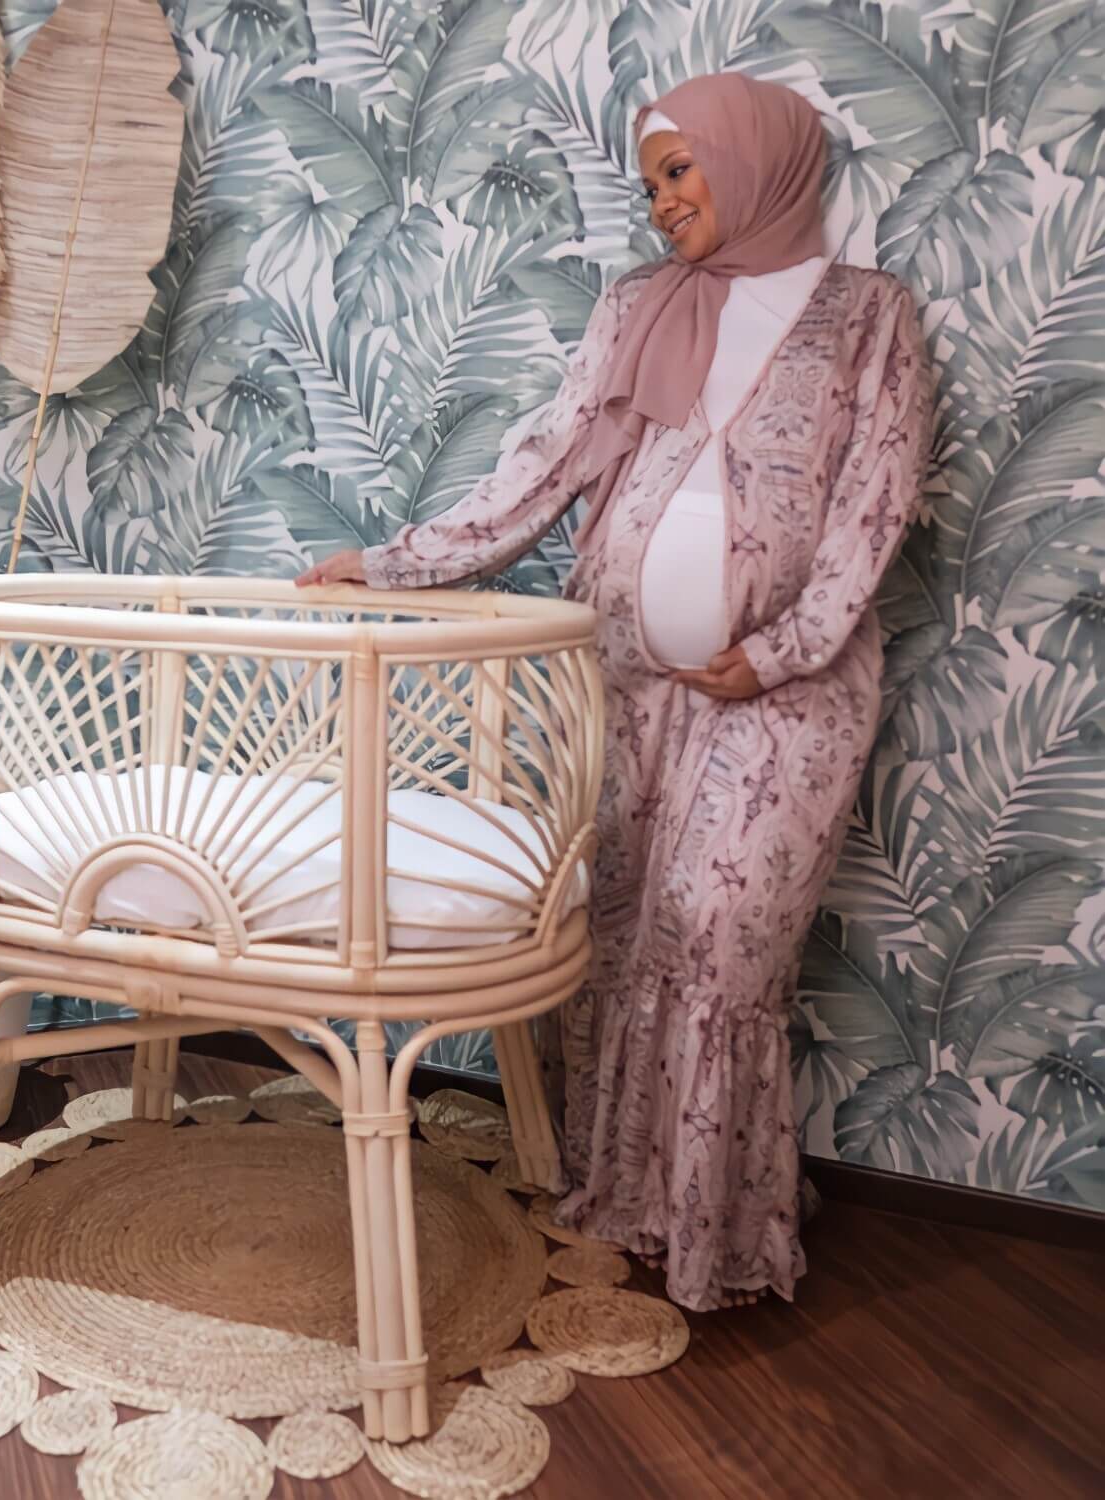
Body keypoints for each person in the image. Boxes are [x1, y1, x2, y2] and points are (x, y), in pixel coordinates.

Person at [296, 72, 934, 1311]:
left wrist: (785, 647)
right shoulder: (642, 306)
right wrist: (389, 564)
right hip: (626, 689)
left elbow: (874, 506)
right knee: (622, 935)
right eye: (649, 183)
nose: (661, 203)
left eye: (680, 172)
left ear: (757, 163)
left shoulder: (868, 317)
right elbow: (540, 469)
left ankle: (717, 1240)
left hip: (785, 693)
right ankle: (616, 1194)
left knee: (718, 943)